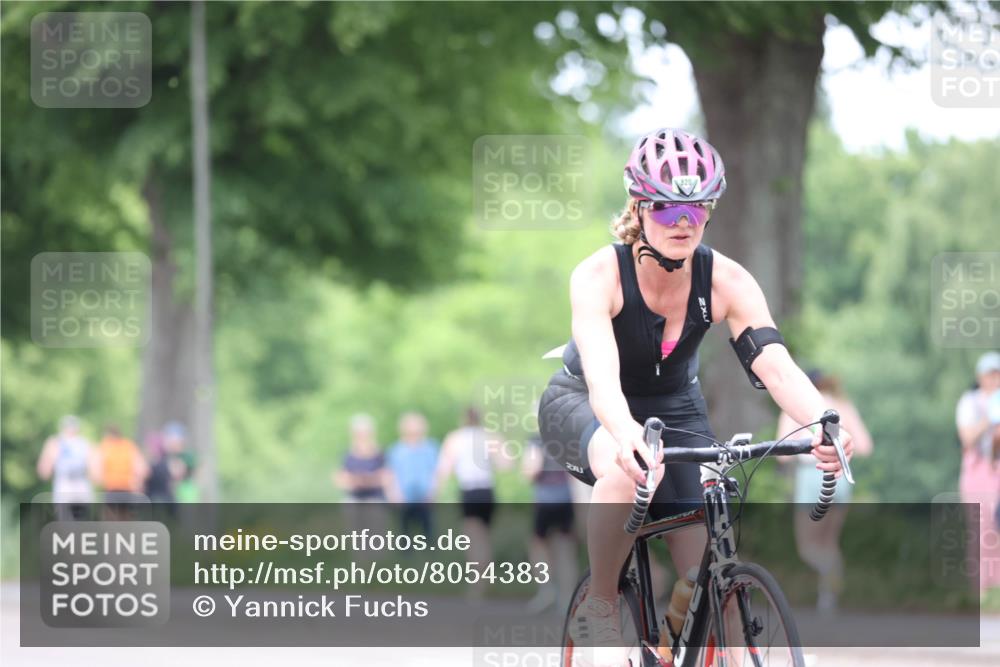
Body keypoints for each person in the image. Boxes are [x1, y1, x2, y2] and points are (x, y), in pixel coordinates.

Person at [536, 128, 853, 659]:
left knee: (712, 583)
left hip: (674, 409)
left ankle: (682, 636)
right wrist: (625, 436)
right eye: (666, 209)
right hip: (584, 403)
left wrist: (822, 421)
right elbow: (603, 383)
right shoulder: (598, 275)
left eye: (697, 208)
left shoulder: (726, 279)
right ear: (638, 207)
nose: (683, 222)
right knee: (623, 465)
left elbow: (775, 366)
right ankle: (599, 605)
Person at [777, 369, 873, 614]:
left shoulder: (796, 406)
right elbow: (864, 446)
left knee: (808, 546)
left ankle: (830, 575)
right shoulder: (841, 405)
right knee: (829, 543)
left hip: (813, 477)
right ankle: (828, 600)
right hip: (839, 477)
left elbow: (782, 453)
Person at [433, 407, 509, 600]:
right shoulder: (490, 437)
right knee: (485, 536)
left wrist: (435, 493)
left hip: (469, 491)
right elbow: (506, 463)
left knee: (473, 538)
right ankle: (486, 579)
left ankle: (477, 584)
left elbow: (444, 468)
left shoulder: (455, 438)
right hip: (487, 491)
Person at [956, 351, 1000, 596]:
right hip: (977, 475)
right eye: (990, 374)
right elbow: (967, 439)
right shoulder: (969, 402)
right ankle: (980, 591)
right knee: (980, 531)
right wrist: (989, 416)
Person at [522, 432, 578, 614]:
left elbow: (532, 469)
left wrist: (526, 474)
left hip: (545, 499)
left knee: (538, 545)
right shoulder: (567, 437)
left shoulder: (537, 439)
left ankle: (546, 589)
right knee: (565, 548)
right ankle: (567, 597)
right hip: (566, 497)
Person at [386, 412, 439, 539]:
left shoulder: (430, 448)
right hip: (404, 496)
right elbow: (391, 474)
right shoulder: (396, 450)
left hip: (425, 496)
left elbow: (436, 472)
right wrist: (394, 494)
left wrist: (433, 492)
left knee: (428, 532)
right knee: (404, 533)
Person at [36, 415, 95, 520]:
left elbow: (92, 465)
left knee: (80, 517)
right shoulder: (56, 442)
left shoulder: (83, 443)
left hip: (79, 481)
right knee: (64, 517)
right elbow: (46, 463)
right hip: (64, 482)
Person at [334, 413, 391, 502]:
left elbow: (386, 479)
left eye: (365, 432)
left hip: (375, 498)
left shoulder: (380, 453)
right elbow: (341, 480)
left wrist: (358, 480)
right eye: (359, 432)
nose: (362, 435)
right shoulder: (347, 455)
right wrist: (371, 479)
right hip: (354, 499)